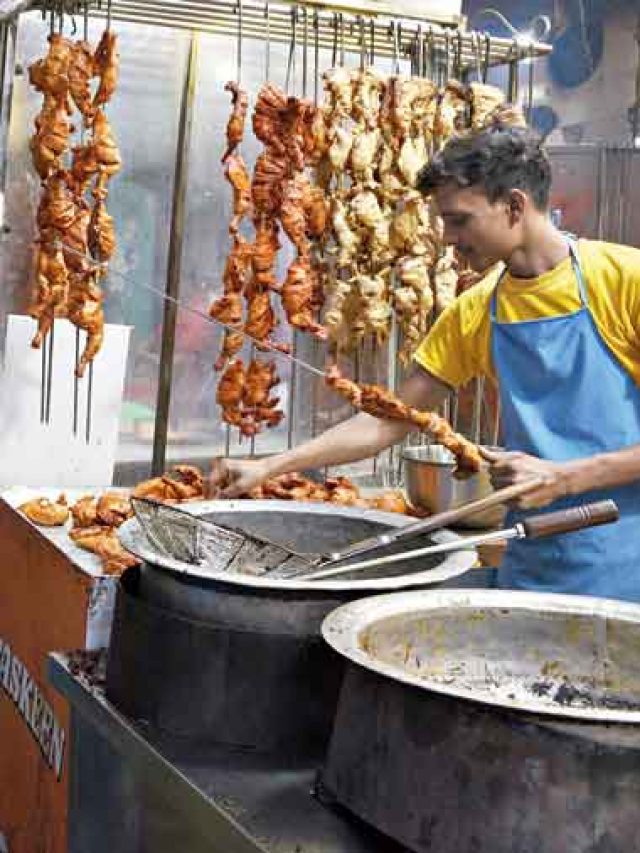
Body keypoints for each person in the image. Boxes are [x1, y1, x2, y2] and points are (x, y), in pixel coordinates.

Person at [209, 125, 640, 602]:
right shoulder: (475, 311)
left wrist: (565, 476)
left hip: (628, 573)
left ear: (515, 207)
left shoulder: (624, 282)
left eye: (459, 220)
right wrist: (270, 465)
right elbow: (385, 423)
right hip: (534, 568)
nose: (448, 238)